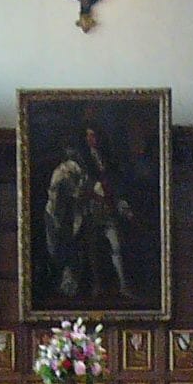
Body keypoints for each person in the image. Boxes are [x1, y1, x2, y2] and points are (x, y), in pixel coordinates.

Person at [44, 127, 139, 303]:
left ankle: (123, 285)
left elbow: (113, 189)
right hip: (88, 212)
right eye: (88, 135)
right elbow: (78, 190)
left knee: (116, 247)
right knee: (89, 252)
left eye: (94, 135)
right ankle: (94, 287)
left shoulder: (105, 159)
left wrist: (121, 207)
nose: (92, 138)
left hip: (106, 209)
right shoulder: (77, 164)